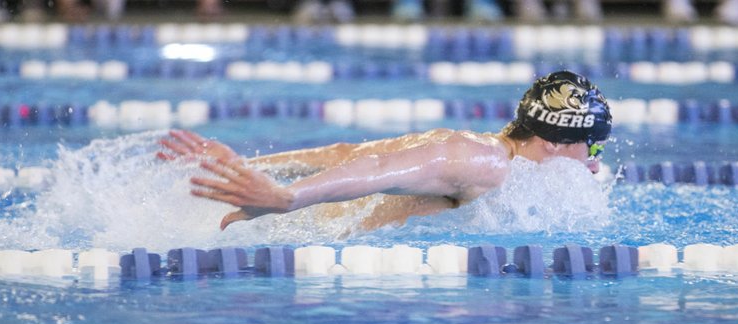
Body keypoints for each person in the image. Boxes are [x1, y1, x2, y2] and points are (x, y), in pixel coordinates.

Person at [158, 70, 612, 232]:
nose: (594, 160)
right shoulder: (483, 162)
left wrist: (246, 168)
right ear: (553, 140)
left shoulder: (485, 151)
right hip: (298, 236)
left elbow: (345, 153)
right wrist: (284, 199)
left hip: (284, 229)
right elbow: (373, 168)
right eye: (592, 144)